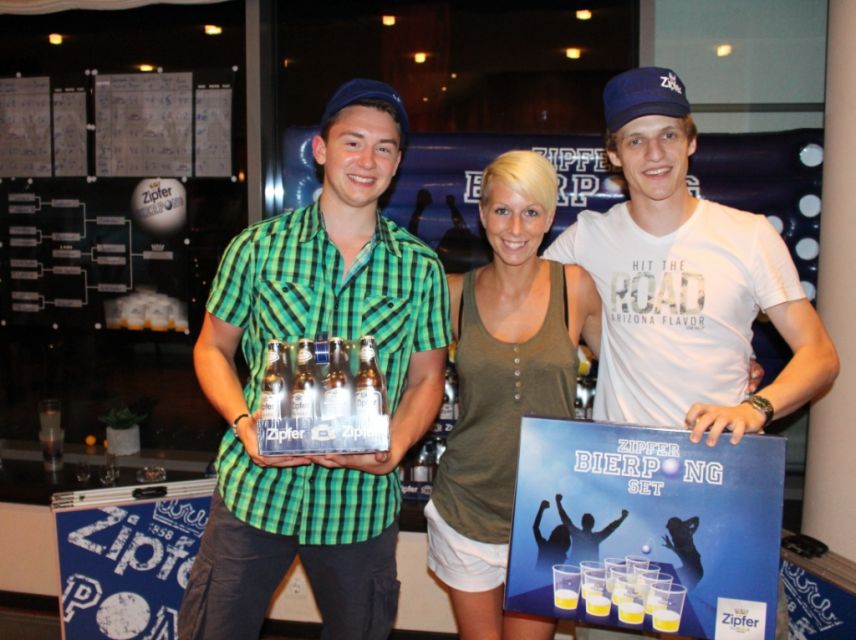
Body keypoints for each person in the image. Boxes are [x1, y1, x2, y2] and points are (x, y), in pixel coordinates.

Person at [178, 78, 451, 640]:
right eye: (353, 142)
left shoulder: (420, 268)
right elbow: (211, 348)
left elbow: (427, 378)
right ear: (322, 150)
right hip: (257, 491)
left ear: (397, 163)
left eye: (384, 148)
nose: (367, 161)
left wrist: (394, 447)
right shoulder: (256, 248)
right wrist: (244, 424)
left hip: (358, 505)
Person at [544, 66, 839, 446]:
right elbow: (518, 305)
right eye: (636, 141)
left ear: (691, 142)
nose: (655, 154)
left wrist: (755, 408)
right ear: (614, 154)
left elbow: (820, 355)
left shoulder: (749, 235)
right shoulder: (587, 238)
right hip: (623, 464)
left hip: (718, 461)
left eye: (668, 135)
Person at [425, 150, 602, 640]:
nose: (516, 228)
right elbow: (410, 378)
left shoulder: (576, 286)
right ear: (483, 215)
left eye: (531, 212)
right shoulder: (453, 293)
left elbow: (629, 368)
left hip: (547, 512)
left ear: (549, 217)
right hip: (466, 506)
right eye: (502, 210)